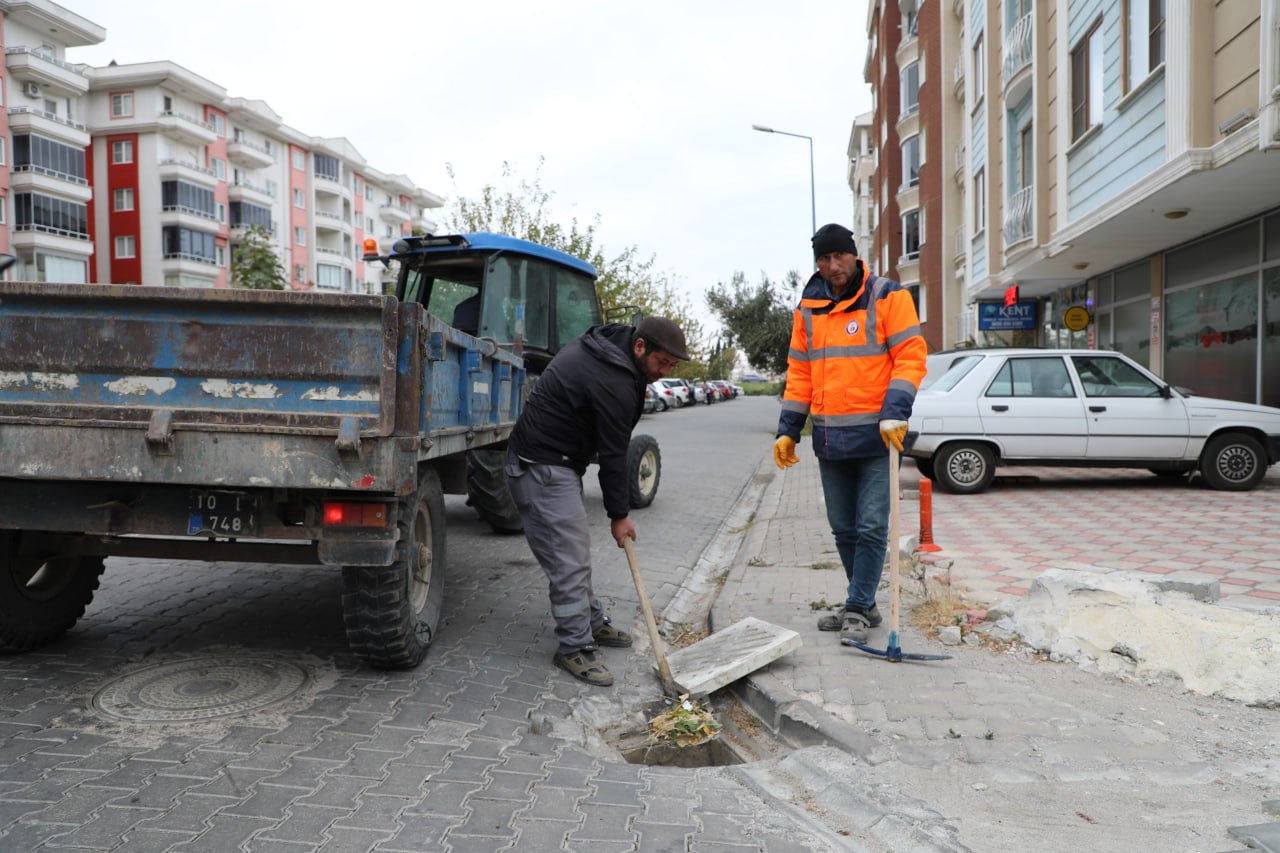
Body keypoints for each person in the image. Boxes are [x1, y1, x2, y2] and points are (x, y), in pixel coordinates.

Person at [505, 316, 689, 686]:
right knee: (569, 560)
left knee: (572, 552)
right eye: (661, 362)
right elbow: (613, 456)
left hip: (556, 464)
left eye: (671, 366)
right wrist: (619, 515)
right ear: (640, 347)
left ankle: (589, 621)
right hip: (540, 467)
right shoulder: (614, 379)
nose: (663, 371)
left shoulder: (611, 350)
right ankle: (574, 646)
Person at [772, 224, 927, 644]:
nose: (832, 266)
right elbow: (800, 370)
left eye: (839, 256)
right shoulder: (808, 307)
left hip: (878, 438)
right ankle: (866, 603)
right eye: (824, 259)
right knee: (843, 528)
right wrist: (789, 429)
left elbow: (910, 356)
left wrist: (896, 411)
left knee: (873, 526)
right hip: (829, 438)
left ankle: (857, 607)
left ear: (854, 255)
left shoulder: (887, 296)